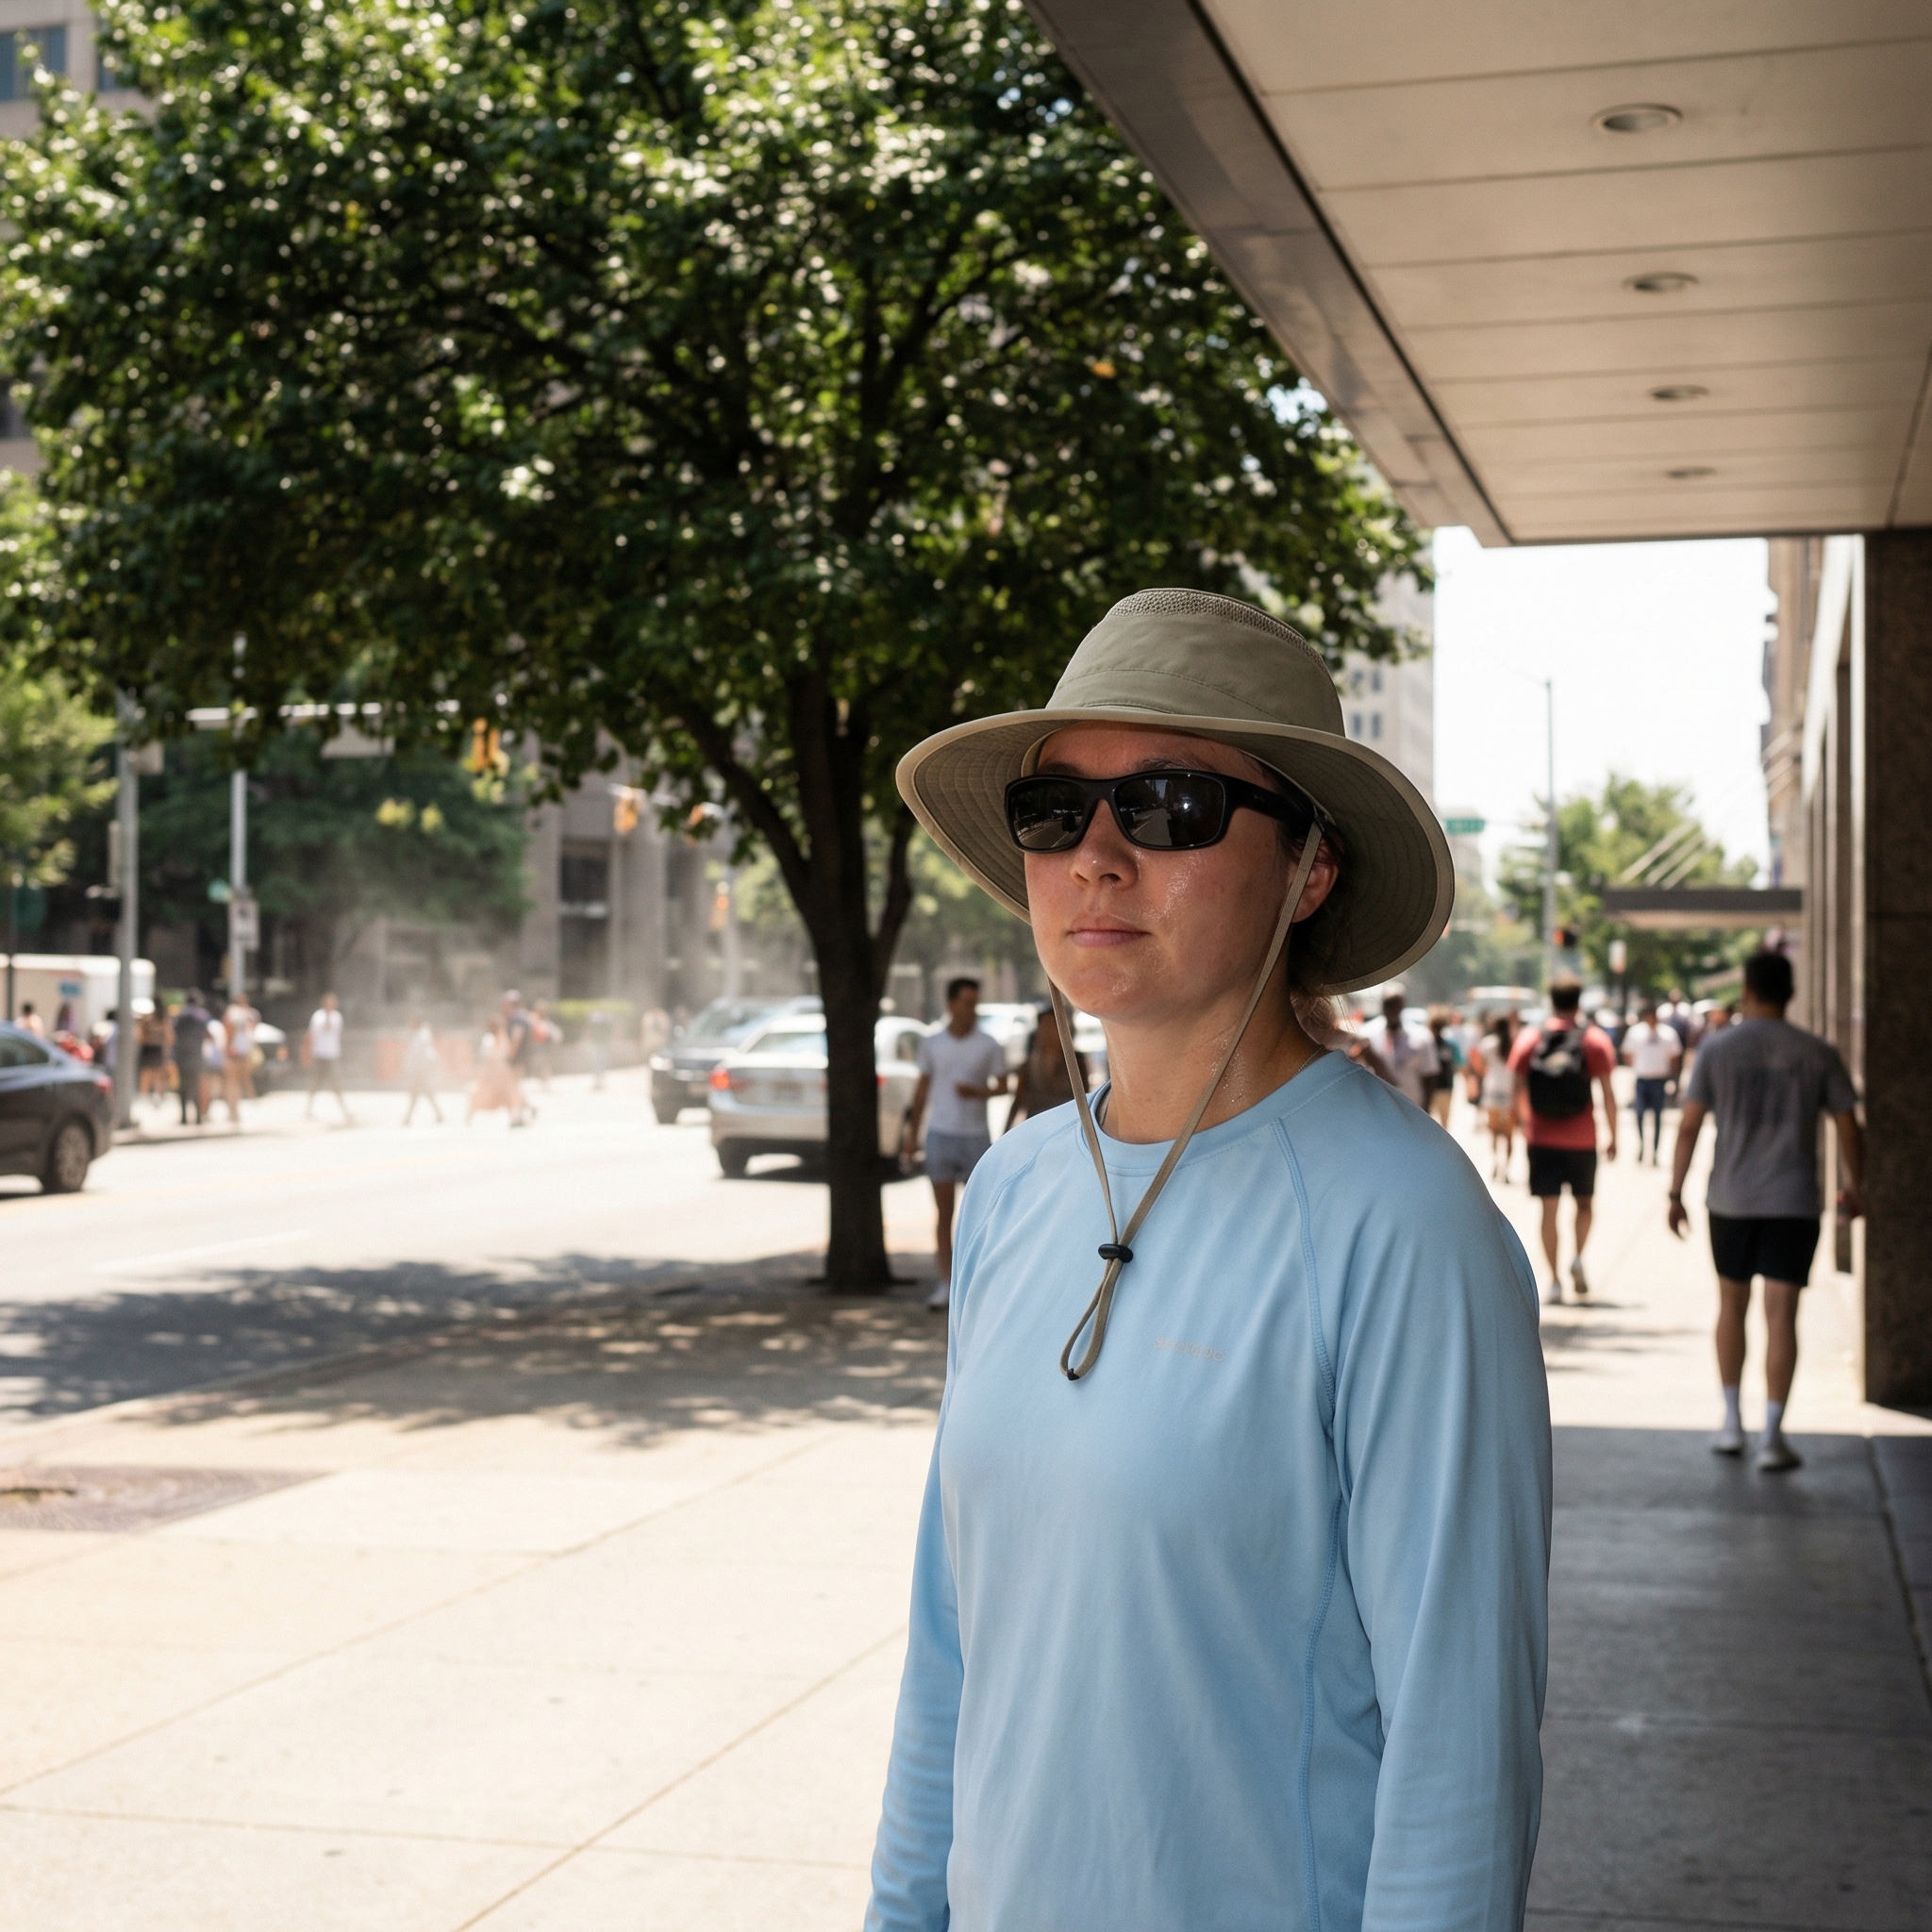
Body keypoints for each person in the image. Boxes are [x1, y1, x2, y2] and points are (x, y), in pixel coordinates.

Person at [870, 588, 1549, 1932]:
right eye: (1055, 813)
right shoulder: (1010, 1191)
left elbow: (1458, 1747)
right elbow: (956, 1647)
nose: (1098, 858)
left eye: (1173, 805)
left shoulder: (1406, 1224)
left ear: (1310, 869)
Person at [1667, 950, 1862, 1474]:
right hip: (1793, 1200)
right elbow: (1848, 1123)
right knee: (1783, 1314)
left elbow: (1688, 1125)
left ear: (1747, 990)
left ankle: (1731, 1423)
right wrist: (1855, 1185)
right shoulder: (1817, 1052)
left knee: (1731, 1305)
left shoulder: (1717, 1050)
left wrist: (1674, 1190)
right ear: (1792, 992)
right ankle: (1773, 1435)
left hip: (1731, 1198)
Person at [901, 976, 1008, 1310]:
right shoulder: (933, 1044)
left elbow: (1004, 1087)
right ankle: (946, 1283)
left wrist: (978, 1092)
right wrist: (911, 1136)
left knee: (979, 1215)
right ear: (950, 1004)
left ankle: (977, 1282)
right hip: (941, 1134)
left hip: (975, 1136)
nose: (971, 1010)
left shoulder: (989, 1045)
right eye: (966, 1002)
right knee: (943, 1213)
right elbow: (921, 1091)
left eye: (975, 1003)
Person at [1510, 975, 1618, 1305]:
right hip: (1583, 1139)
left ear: (1551, 999)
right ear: (1579, 1001)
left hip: (1542, 1139)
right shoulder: (1594, 1040)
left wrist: (1525, 1123)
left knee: (1549, 1209)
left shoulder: (1530, 1038)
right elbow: (1608, 1094)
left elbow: (1517, 1088)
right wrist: (1614, 1135)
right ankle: (1578, 1258)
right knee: (1585, 1204)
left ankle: (1554, 1280)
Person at [1004, 1001, 1088, 1129]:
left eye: (1053, 1025)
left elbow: (1085, 1098)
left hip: (1067, 1126)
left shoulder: (1075, 1061)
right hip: (1037, 1125)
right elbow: (1018, 1099)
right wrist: (1005, 1133)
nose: (1048, 1031)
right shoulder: (1030, 1063)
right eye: (1044, 1025)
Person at [1355, 983, 1440, 1109]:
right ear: (1382, 1005)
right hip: (1378, 1107)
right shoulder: (1367, 1035)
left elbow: (1429, 1076)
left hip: (1412, 1106)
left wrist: (1426, 1110)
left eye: (1396, 1004)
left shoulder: (1421, 1037)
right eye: (1388, 1004)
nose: (1392, 1009)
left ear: (1403, 1004)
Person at [1623, 1000, 1681, 1166]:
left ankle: (1655, 1151)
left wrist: (1672, 1078)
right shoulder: (1636, 1033)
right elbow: (1627, 1054)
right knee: (1640, 1115)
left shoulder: (1668, 1034)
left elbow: (1675, 1057)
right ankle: (1642, 1145)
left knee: (1657, 1118)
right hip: (1642, 1080)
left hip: (1659, 1081)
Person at [1475, 1009, 1519, 1182]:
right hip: (1510, 1091)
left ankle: (1495, 1162)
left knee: (1493, 1132)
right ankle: (1505, 1170)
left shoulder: (1487, 1044)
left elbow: (1479, 1066)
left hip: (1492, 1090)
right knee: (1509, 1136)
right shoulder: (1515, 1043)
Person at [306, 991, 352, 1123]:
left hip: (331, 1054)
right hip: (320, 1054)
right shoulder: (318, 1016)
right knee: (316, 1081)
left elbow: (337, 1033)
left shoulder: (337, 1017)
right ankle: (309, 1107)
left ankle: (344, 1109)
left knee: (335, 1082)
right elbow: (313, 1034)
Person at [171, 991, 211, 1126]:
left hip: (182, 1055)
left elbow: (174, 1034)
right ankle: (199, 1116)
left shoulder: (180, 1015)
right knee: (196, 1086)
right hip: (196, 1056)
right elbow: (207, 1034)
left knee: (183, 1087)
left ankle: (184, 1117)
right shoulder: (202, 1015)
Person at [401, 1014, 444, 1124]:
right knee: (426, 1092)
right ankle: (439, 1114)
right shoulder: (421, 1035)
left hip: (422, 1068)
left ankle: (408, 1118)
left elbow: (418, 1053)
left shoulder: (421, 1036)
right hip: (422, 1068)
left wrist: (409, 1066)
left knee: (416, 1093)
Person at [222, 994, 258, 1123]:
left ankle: (234, 1111)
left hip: (237, 1052)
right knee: (236, 1083)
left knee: (234, 1083)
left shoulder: (238, 1012)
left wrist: (227, 1047)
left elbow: (228, 1029)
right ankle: (234, 1111)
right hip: (240, 1052)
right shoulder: (243, 1013)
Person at [1424, 1002, 1460, 1127]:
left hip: (1443, 1087)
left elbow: (1457, 1064)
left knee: (1441, 1123)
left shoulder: (1449, 1045)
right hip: (1431, 1088)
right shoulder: (1425, 1045)